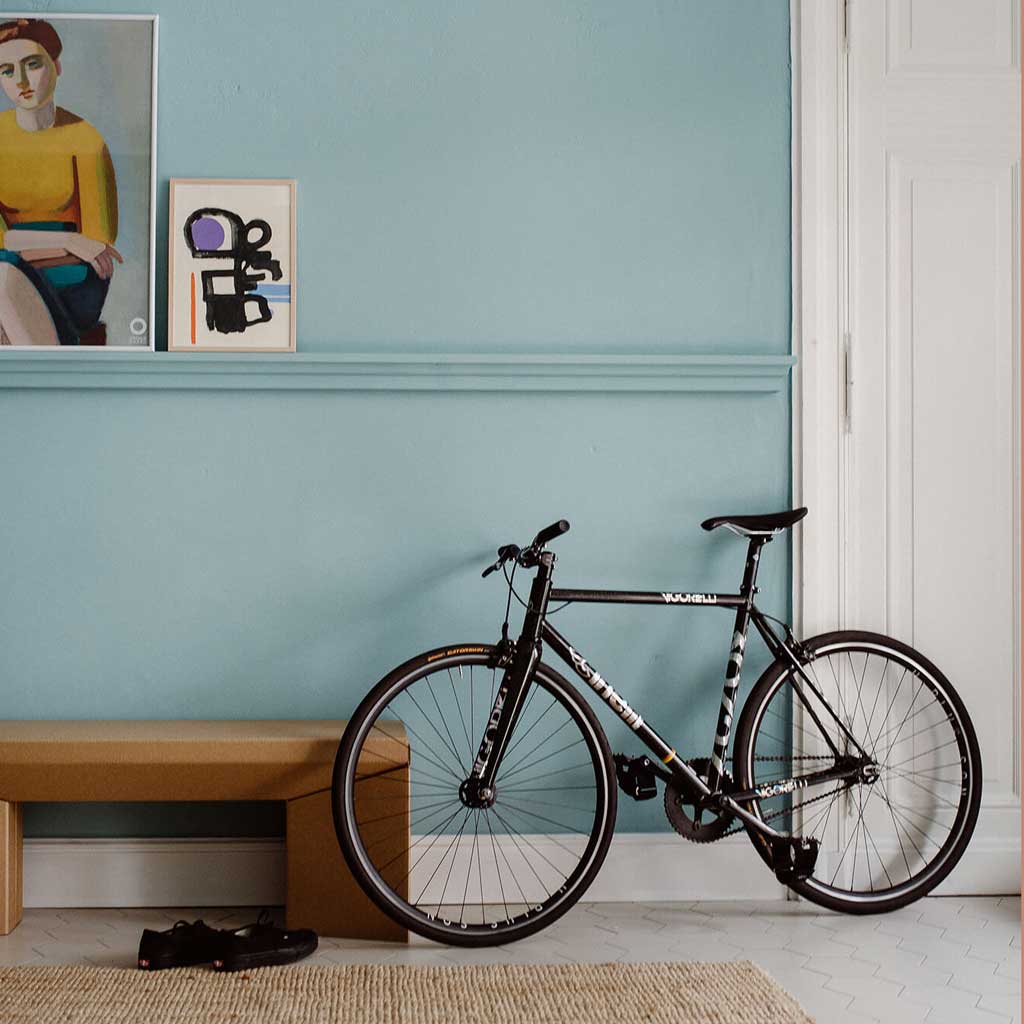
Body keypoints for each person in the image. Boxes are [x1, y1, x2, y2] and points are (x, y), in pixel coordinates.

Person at [0, 18, 122, 346]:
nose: (21, 81)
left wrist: (15, 247)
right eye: (7, 71)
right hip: (27, 261)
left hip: (75, 278)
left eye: (33, 64)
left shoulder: (86, 140)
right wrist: (67, 243)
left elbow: (99, 242)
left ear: (56, 65)